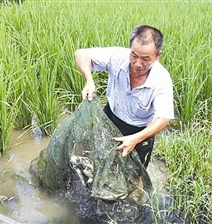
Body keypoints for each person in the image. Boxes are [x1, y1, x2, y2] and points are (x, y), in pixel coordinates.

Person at [74, 25, 174, 168]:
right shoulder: (117, 57)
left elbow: (163, 118)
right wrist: (89, 80)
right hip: (111, 117)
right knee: (101, 158)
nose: (138, 64)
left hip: (139, 130)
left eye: (145, 59)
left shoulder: (161, 79)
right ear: (130, 49)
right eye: (134, 55)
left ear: (158, 55)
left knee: (135, 171)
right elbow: (81, 54)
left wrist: (135, 139)